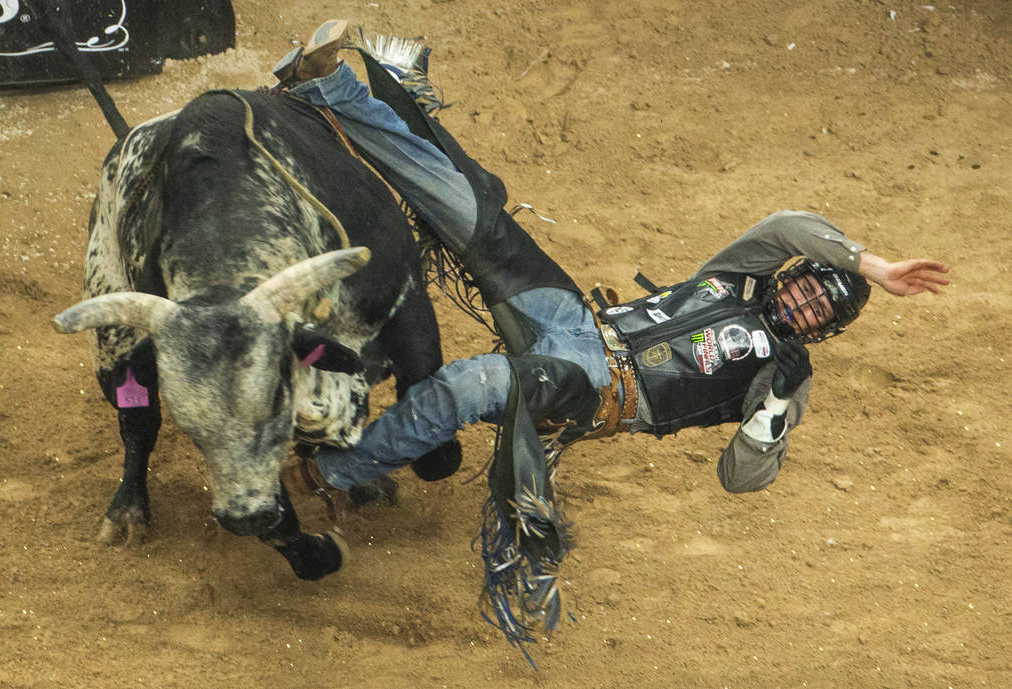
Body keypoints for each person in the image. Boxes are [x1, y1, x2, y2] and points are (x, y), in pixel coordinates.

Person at [281, 20, 950, 646]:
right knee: (467, 209)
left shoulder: (786, 376)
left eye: (818, 311)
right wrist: (875, 265)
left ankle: (334, 472)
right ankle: (326, 86)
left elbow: (739, 479)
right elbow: (785, 223)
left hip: (599, 389)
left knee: (476, 382)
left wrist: (768, 419)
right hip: (574, 316)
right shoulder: (737, 276)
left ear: (825, 330)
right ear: (794, 275)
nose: (804, 305)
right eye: (808, 286)